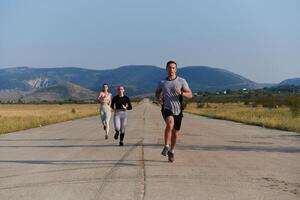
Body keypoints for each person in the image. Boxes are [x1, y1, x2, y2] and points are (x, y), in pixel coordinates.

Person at [155, 60, 193, 162]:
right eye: (169, 68)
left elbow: (190, 95)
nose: (171, 70)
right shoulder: (162, 82)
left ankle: (172, 151)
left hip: (178, 110)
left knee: (175, 133)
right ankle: (166, 146)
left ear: (176, 69)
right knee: (170, 124)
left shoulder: (181, 81)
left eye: (173, 68)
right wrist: (158, 97)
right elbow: (157, 92)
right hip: (167, 108)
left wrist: (181, 93)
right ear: (166, 69)